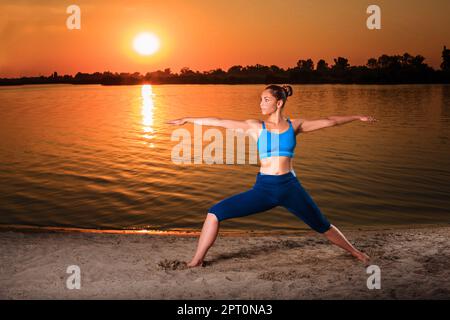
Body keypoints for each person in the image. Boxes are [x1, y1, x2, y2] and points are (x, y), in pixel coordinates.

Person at [167, 84, 377, 267]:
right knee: (214, 213)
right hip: (264, 189)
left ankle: (356, 253)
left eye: (266, 99)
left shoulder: (295, 126)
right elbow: (220, 121)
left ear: (279, 103)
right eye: (260, 99)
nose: (261, 103)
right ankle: (197, 260)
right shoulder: (255, 127)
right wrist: (188, 119)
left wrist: (357, 117)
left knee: (322, 225)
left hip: (290, 188)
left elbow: (330, 121)